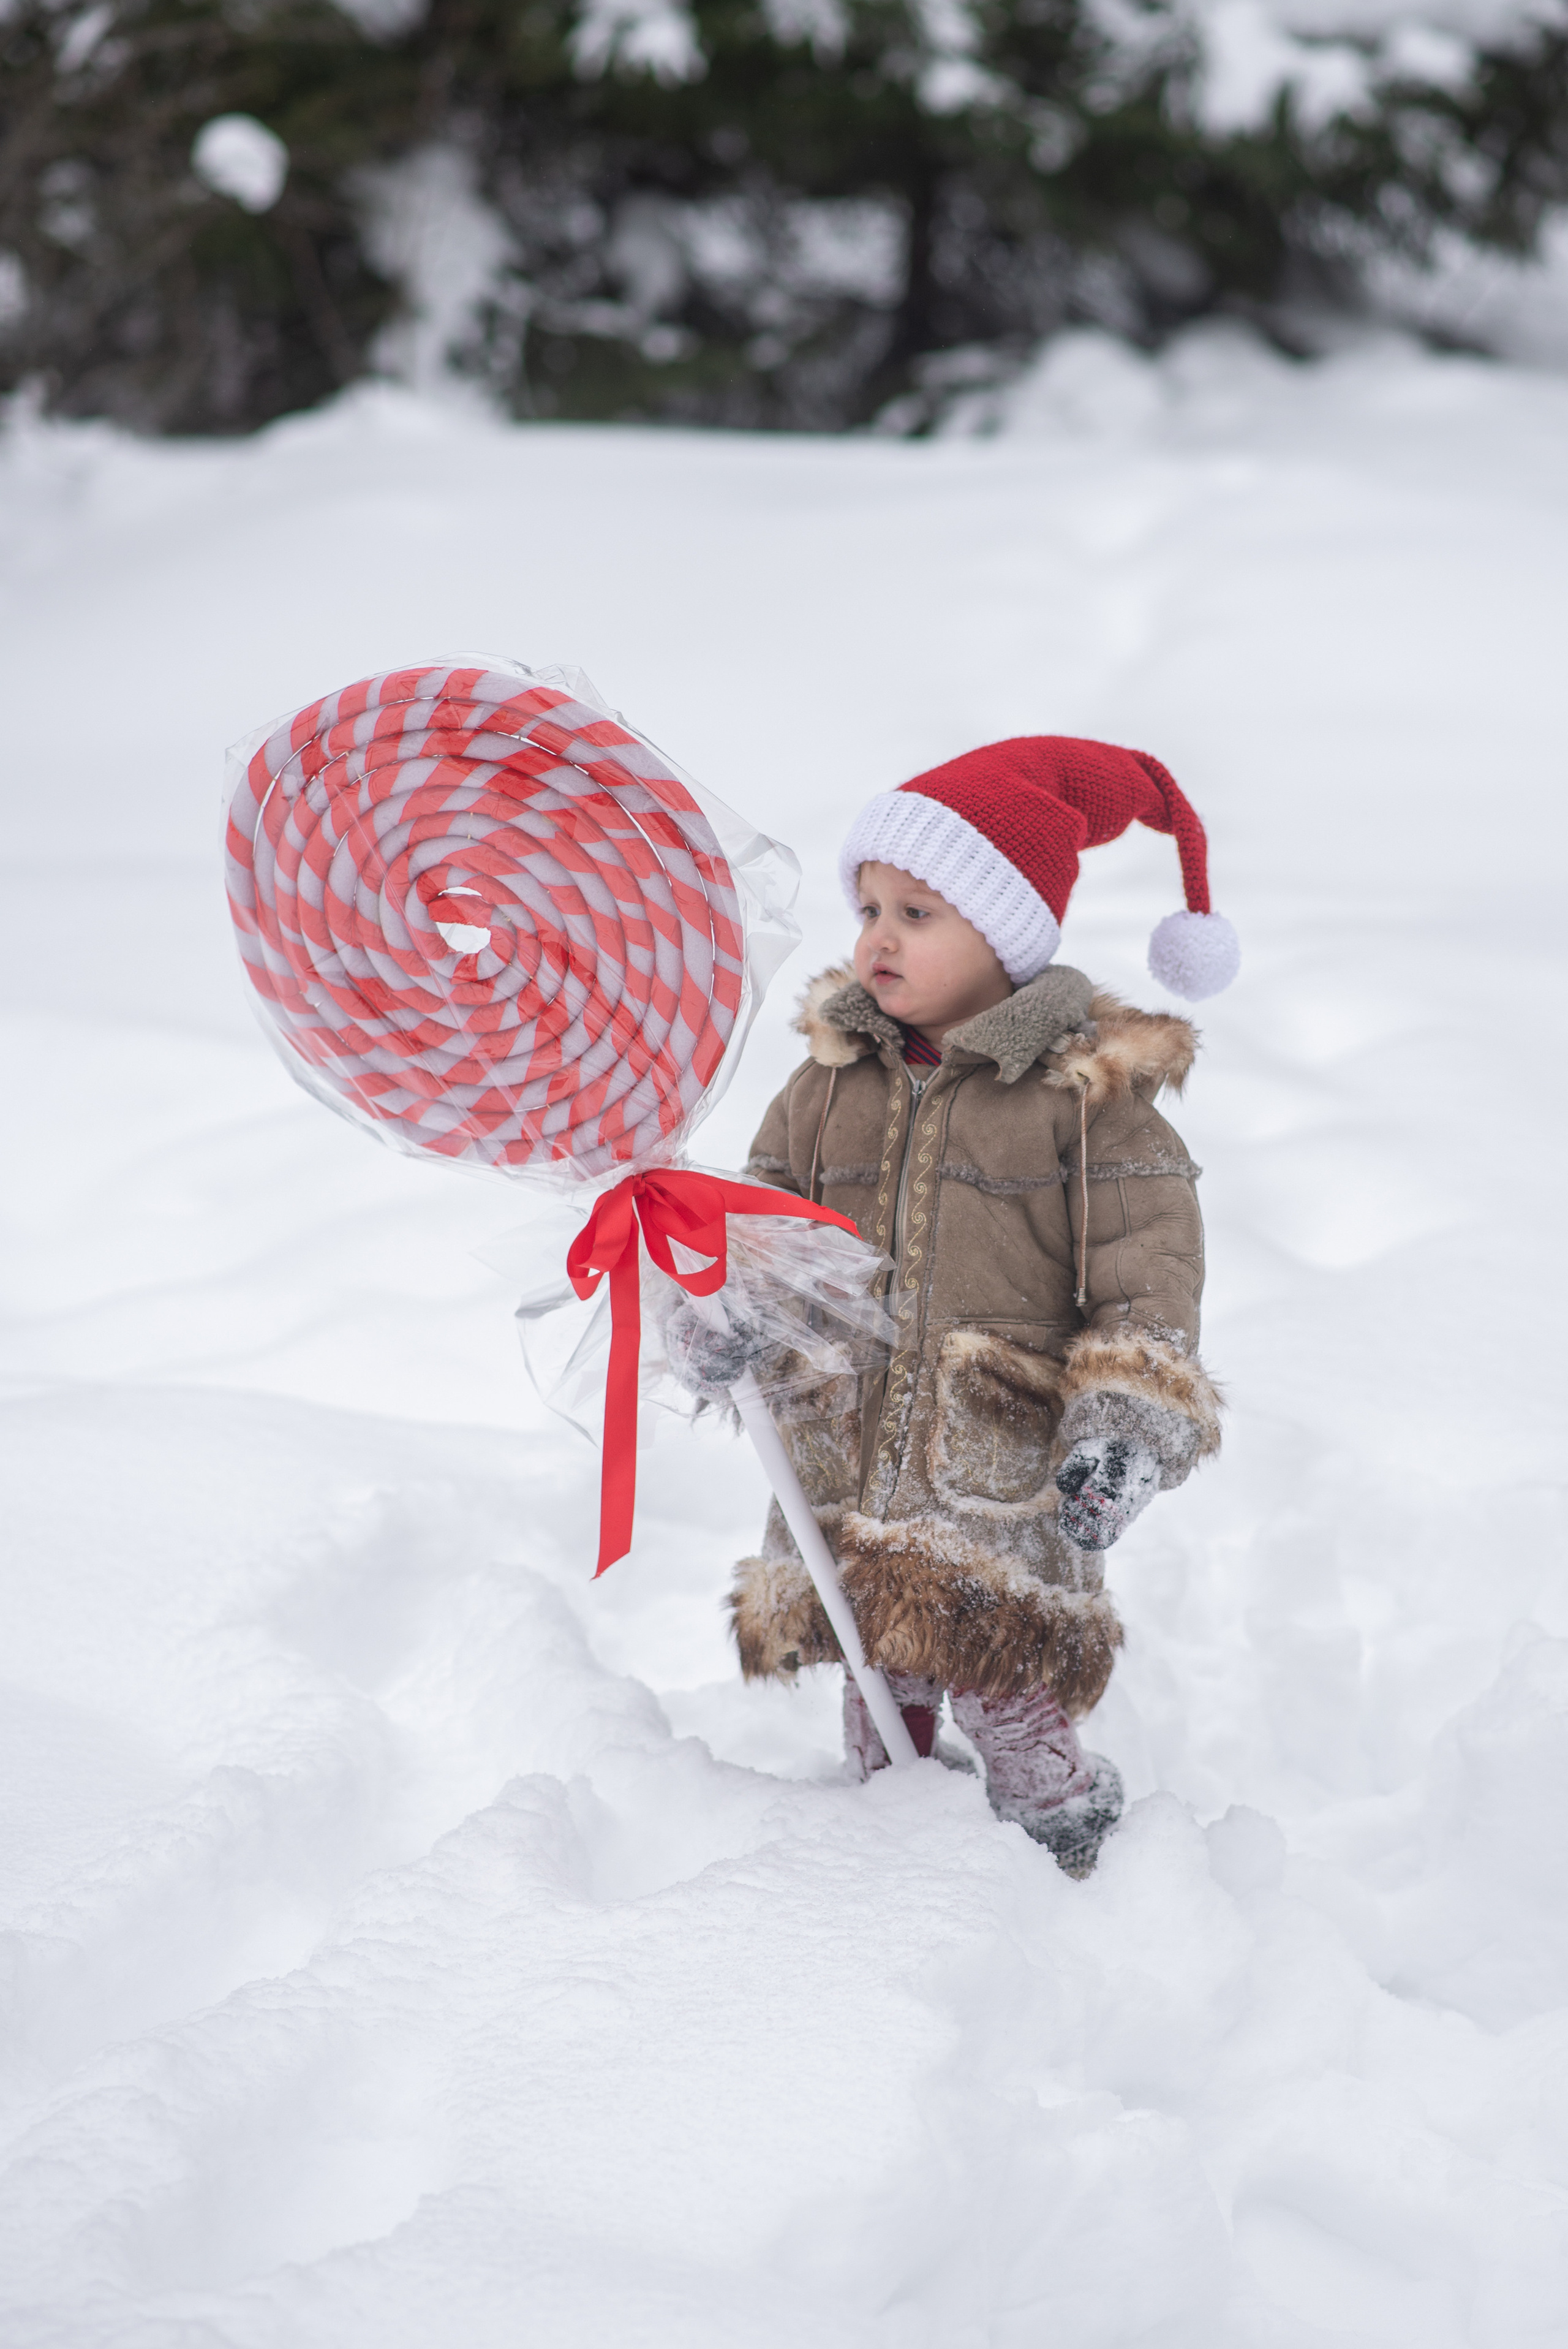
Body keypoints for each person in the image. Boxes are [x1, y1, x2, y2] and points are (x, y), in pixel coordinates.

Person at [683, 735, 1238, 1875]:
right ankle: (892, 1880)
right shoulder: (829, 1081)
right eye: (868, 906)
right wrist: (731, 1307)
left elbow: (1148, 1270)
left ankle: (1075, 1853)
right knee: (878, 1689)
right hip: (850, 1450)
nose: (876, 937)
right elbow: (766, 1217)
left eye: (917, 912)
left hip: (997, 1462)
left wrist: (1125, 1422)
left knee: (1007, 1697)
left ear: (1009, 934)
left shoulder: (1086, 1103)